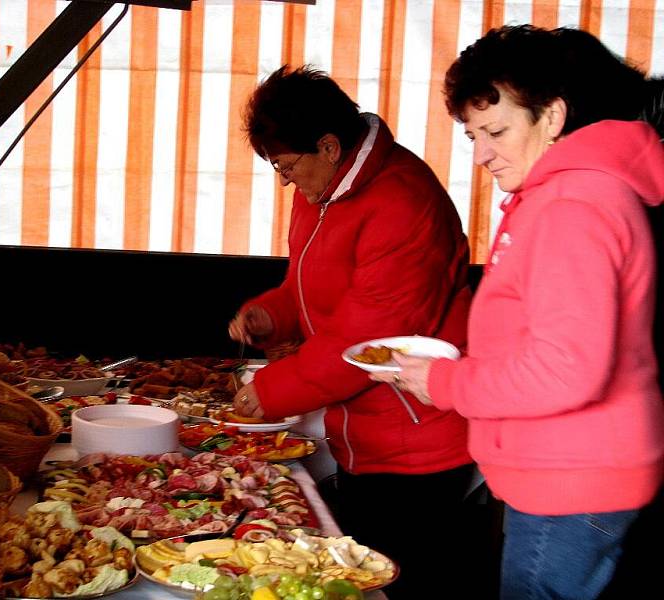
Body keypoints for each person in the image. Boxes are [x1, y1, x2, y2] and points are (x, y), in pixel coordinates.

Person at [371, 25, 664, 600]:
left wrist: (447, 380)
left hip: (569, 483)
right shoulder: (573, 193)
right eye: (473, 135)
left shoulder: (573, 204)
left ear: (552, 118)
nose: (481, 154)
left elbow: (565, 369)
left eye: (495, 130)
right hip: (573, 475)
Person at [228, 65, 476, 598]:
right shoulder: (323, 191)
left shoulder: (403, 203)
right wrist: (270, 315)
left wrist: (271, 391)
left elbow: (366, 340)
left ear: (330, 146)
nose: (284, 181)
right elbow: (306, 288)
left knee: (399, 583)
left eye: (286, 165)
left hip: (418, 441)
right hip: (360, 430)